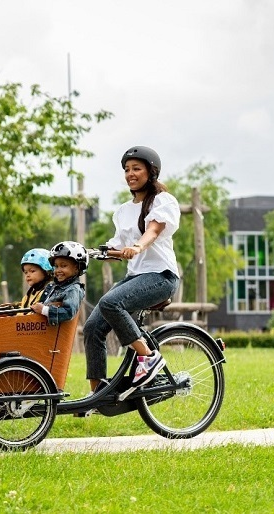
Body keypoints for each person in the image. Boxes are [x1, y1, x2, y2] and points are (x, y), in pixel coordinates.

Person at [84, 146, 180, 399]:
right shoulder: (124, 210)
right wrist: (97, 251)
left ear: (151, 172)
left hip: (161, 276)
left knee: (111, 303)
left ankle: (148, 358)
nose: (130, 174)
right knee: (92, 326)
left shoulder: (162, 201)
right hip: (135, 277)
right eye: (127, 170)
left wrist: (138, 246)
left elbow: (153, 231)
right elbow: (117, 245)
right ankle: (98, 395)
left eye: (136, 168)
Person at [31, 241, 87, 326]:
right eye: (56, 266)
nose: (58, 270)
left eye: (63, 266)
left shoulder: (73, 289)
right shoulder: (53, 287)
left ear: (77, 268)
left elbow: (68, 312)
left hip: (54, 334)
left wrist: (45, 310)